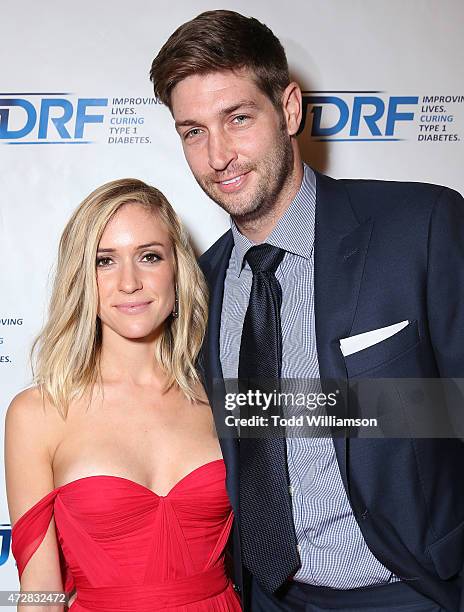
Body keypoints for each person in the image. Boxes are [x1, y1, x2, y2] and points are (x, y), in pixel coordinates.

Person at [150, 10, 464, 612]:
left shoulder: (418, 227)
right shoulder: (198, 286)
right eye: (193, 131)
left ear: (289, 110)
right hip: (267, 597)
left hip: (410, 588)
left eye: (237, 118)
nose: (219, 156)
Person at [5, 179, 242, 611]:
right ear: (82, 278)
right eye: (105, 261)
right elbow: (40, 592)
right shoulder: (39, 413)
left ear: (178, 271)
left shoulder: (221, 399)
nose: (129, 282)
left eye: (149, 257)